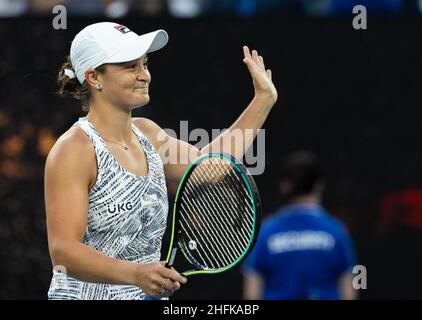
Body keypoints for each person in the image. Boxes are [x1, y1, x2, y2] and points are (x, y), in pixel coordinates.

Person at [45, 21, 277, 300]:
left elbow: (208, 167)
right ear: (94, 77)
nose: (144, 75)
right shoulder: (74, 149)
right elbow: (63, 251)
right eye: (130, 66)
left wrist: (263, 100)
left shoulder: (148, 134)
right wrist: (135, 274)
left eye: (145, 64)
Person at [243, 151, 357, 300]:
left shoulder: (266, 232)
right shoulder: (337, 232)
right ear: (319, 184)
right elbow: (349, 291)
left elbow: (251, 293)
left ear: (284, 186)